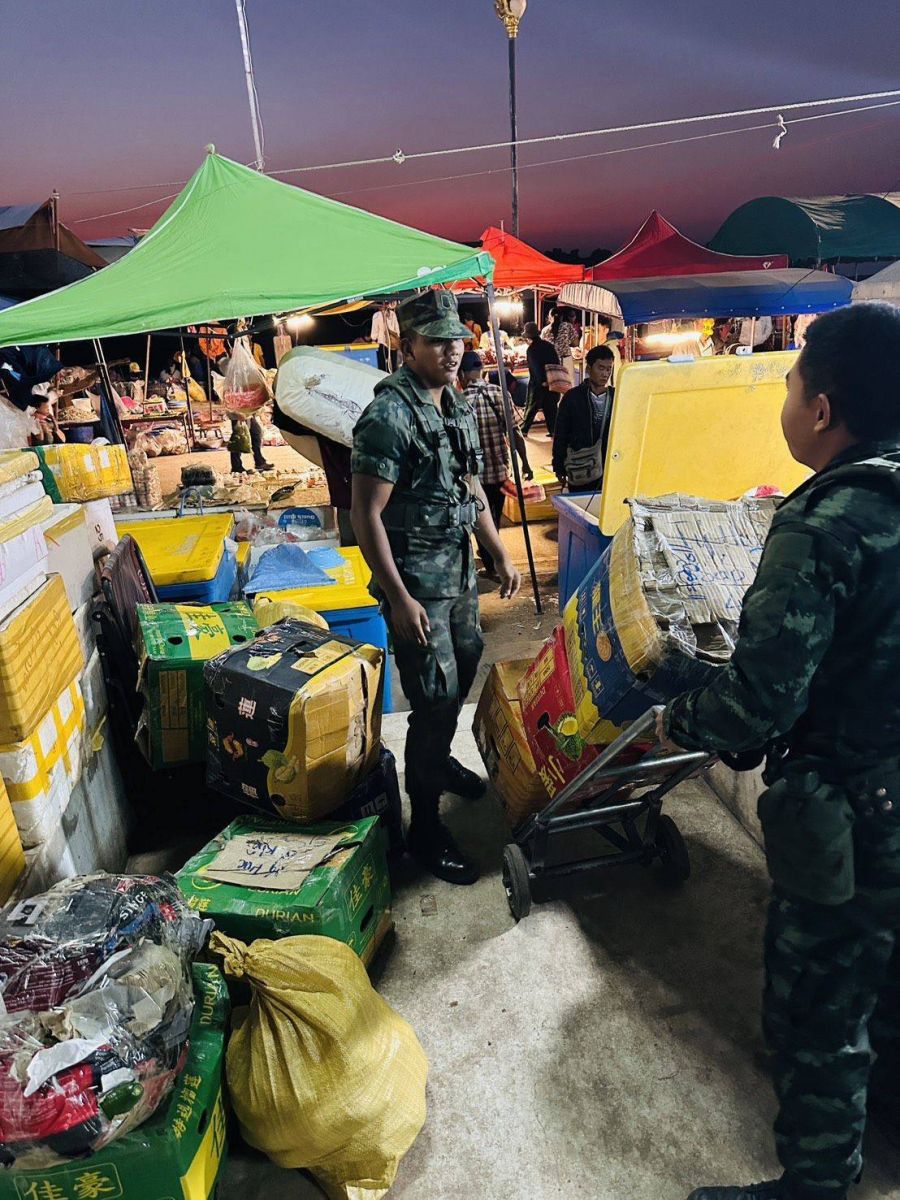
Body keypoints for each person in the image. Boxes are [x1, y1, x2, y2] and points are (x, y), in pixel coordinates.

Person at [656, 302, 900, 1200]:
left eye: (792, 386)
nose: (787, 402)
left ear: (823, 410)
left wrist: (680, 721)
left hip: (853, 811)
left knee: (819, 1006)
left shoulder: (826, 524)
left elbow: (759, 701)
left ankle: (816, 1184)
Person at [351, 290, 521, 885]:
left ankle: (440, 760)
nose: (451, 351)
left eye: (457, 341)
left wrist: (496, 549)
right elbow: (366, 514)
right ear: (409, 346)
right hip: (416, 586)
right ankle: (424, 826)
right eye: (437, 341)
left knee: (464, 667)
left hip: (458, 575)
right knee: (432, 699)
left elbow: (469, 486)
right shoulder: (388, 417)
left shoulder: (456, 403)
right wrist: (398, 599)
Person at [458, 349, 532, 577]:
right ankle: (491, 557)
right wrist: (525, 463)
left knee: (480, 517)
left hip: (475, 475)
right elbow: (515, 432)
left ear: (462, 374)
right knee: (494, 516)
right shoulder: (500, 393)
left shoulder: (460, 401)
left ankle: (491, 564)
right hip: (500, 468)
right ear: (481, 371)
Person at [552, 345, 614, 495]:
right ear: (589, 368)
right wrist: (558, 465)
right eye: (601, 368)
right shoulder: (572, 397)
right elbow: (561, 433)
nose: (605, 374)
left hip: (609, 467)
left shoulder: (616, 397)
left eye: (609, 369)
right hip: (581, 467)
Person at [521, 321, 560, 436]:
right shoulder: (548, 345)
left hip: (538, 383)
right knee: (551, 407)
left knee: (532, 406)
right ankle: (553, 431)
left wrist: (542, 381)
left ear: (528, 337)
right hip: (552, 380)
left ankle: (524, 430)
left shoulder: (531, 349)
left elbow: (536, 367)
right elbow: (556, 362)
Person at [549, 306, 579, 380]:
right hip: (566, 361)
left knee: (555, 385)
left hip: (551, 362)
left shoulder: (545, 330)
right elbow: (576, 343)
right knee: (568, 385)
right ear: (562, 317)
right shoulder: (567, 326)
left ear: (550, 318)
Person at [370, 303, 401, 372]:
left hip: (382, 343)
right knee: (393, 364)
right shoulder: (393, 314)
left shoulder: (377, 315)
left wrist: (373, 339)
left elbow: (374, 332)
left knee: (382, 366)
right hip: (393, 342)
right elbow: (397, 330)